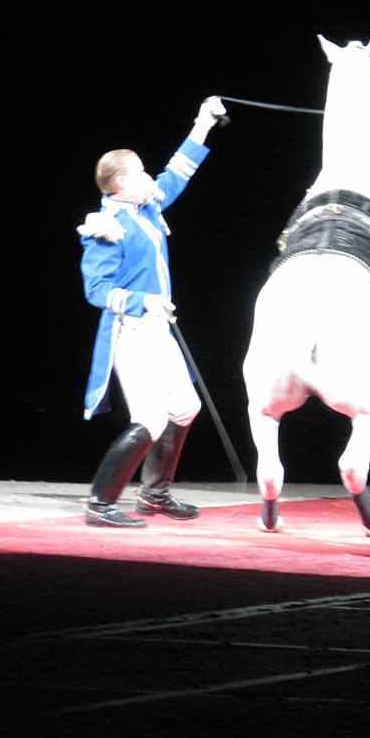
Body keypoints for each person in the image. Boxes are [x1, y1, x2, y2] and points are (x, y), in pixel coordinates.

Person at [77, 96, 227, 527]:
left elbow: (176, 175)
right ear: (121, 182)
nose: (149, 176)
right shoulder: (106, 227)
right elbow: (97, 291)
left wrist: (202, 125)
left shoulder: (145, 209)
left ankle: (154, 495)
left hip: (158, 329)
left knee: (184, 407)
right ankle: (100, 504)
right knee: (151, 418)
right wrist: (145, 300)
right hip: (131, 331)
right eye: (141, 171)